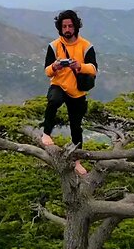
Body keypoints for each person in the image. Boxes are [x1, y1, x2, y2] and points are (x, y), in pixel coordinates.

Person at [41, 9, 98, 175]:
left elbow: (94, 69)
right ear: (60, 27)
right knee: (53, 101)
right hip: (59, 84)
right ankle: (46, 134)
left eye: (70, 26)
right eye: (64, 26)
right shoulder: (54, 46)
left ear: (76, 27)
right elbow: (47, 71)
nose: (67, 29)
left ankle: (77, 161)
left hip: (78, 91)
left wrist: (79, 66)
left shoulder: (86, 46)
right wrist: (55, 66)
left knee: (76, 127)